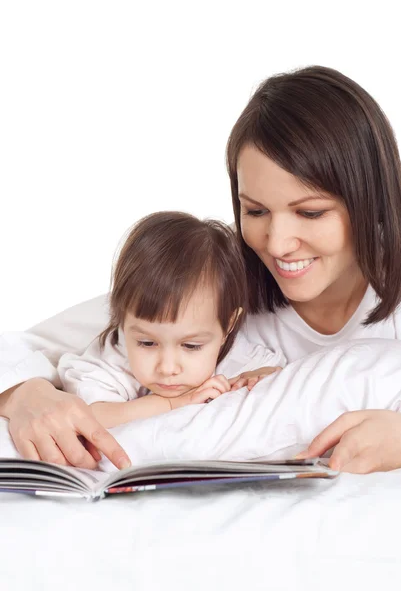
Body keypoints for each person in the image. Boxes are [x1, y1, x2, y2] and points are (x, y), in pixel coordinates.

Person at [1, 65, 401, 473]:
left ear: (369, 201)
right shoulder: (217, 274)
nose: (277, 243)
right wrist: (24, 394)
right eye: (256, 211)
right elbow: (37, 343)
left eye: (311, 212)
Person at [57, 211, 280, 429]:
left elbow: (279, 380)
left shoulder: (241, 361)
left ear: (228, 326)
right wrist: (171, 403)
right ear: (122, 322)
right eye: (147, 343)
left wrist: (261, 378)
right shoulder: (114, 359)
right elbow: (91, 417)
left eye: (191, 346)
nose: (167, 368)